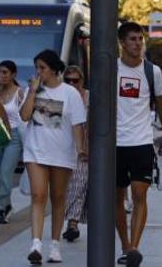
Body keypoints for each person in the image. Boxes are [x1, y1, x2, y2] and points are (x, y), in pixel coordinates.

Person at [20, 50, 87, 264]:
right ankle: (36, 244)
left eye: (42, 68)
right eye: (37, 68)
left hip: (62, 153)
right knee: (38, 195)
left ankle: (55, 245)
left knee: (58, 198)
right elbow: (24, 116)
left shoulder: (70, 93)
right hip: (35, 151)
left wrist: (80, 150)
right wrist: (32, 92)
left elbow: (78, 125)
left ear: (53, 69)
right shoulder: (33, 90)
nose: (39, 72)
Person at [114, 22, 162, 267]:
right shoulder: (111, 69)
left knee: (139, 193)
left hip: (141, 141)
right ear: (122, 43)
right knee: (117, 197)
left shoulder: (152, 71)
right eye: (132, 39)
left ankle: (134, 247)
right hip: (115, 144)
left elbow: (161, 105)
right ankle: (125, 244)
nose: (138, 43)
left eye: (140, 39)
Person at [0, 60, 26, 224]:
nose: (1, 75)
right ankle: (7, 204)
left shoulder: (20, 93)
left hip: (14, 136)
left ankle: (1, 208)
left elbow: (24, 117)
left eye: (5, 72)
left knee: (5, 173)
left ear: (13, 75)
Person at [62, 65, 89, 243]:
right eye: (68, 80)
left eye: (75, 80)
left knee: (79, 184)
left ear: (82, 80)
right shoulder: (61, 96)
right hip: (63, 147)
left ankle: (72, 223)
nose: (72, 84)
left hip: (84, 148)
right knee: (66, 187)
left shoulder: (89, 97)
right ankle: (70, 220)